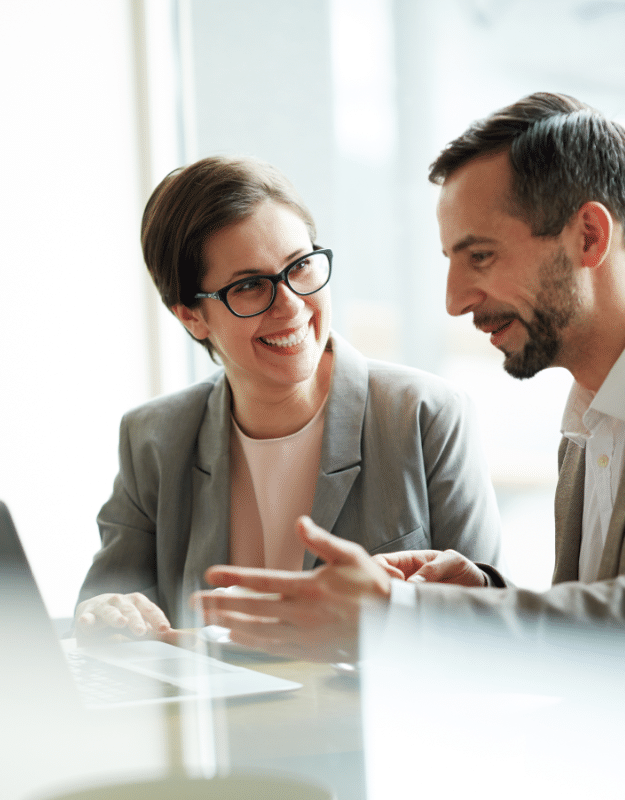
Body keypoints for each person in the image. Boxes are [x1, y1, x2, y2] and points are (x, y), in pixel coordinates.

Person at [199, 93, 625, 676]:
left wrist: (401, 617)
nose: (455, 300)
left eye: (479, 256)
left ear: (589, 236)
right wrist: (481, 596)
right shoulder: (594, 407)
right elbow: (602, 634)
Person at [75, 155, 504, 640]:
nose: (292, 305)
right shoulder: (152, 438)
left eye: (299, 266)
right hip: (216, 713)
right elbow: (103, 608)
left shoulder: (425, 415)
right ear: (191, 317)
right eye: (251, 286)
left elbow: (489, 625)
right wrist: (109, 614)